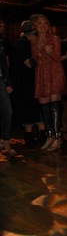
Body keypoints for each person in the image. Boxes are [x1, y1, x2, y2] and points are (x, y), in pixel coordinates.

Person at [28, 14, 67, 151]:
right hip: (41, 73)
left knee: (54, 105)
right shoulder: (33, 40)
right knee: (44, 106)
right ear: (34, 26)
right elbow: (35, 60)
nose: (43, 25)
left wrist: (49, 52)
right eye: (39, 23)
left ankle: (58, 137)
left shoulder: (54, 39)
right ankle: (49, 135)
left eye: (45, 22)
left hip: (54, 72)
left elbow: (57, 57)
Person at [9, 20, 44, 147]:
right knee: (29, 108)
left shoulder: (24, 43)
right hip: (25, 83)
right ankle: (30, 137)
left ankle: (38, 135)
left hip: (30, 81)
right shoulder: (22, 44)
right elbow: (29, 63)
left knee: (35, 107)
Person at [0, 18, 15, 155]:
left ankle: (5, 139)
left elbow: (4, 64)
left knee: (7, 111)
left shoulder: (1, 43)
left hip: (0, 81)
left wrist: (8, 83)